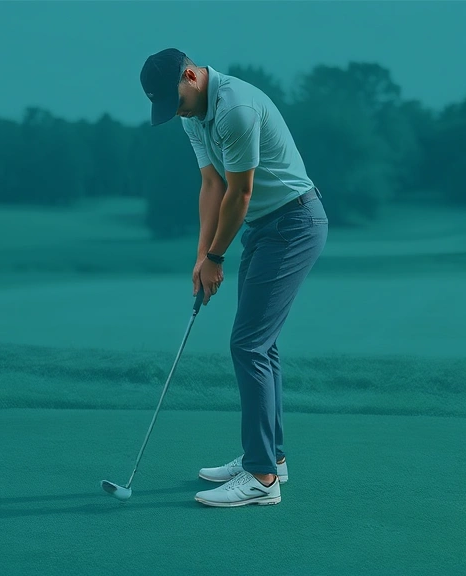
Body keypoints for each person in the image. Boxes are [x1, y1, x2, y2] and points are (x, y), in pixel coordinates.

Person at [139, 48, 328, 507]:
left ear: (191, 76)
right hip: (266, 228)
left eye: (176, 99)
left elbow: (240, 193)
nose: (176, 110)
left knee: (248, 345)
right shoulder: (193, 115)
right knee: (262, 344)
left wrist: (217, 257)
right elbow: (213, 185)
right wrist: (201, 255)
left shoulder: (236, 109)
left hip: (293, 223)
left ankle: (261, 479)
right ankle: (268, 457)